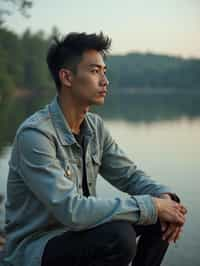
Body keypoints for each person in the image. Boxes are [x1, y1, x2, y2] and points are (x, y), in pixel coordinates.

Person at [2, 32, 187, 266]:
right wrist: (152, 206)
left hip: (79, 234)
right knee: (119, 237)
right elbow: (73, 210)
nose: (104, 81)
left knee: (160, 217)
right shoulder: (35, 135)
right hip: (36, 249)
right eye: (94, 71)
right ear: (67, 77)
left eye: (104, 71)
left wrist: (165, 198)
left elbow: (129, 175)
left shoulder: (95, 127)